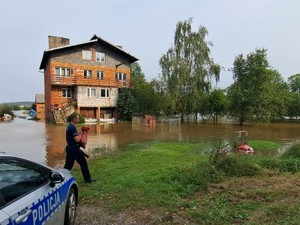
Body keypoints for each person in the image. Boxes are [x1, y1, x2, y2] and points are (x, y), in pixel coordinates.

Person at [63, 113, 95, 183]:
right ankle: (88, 179)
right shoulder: (72, 127)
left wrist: (78, 134)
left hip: (70, 148)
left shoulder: (69, 126)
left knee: (68, 166)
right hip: (74, 149)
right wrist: (81, 133)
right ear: (74, 119)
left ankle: (61, 178)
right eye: (77, 118)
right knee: (83, 163)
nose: (78, 120)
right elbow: (77, 139)